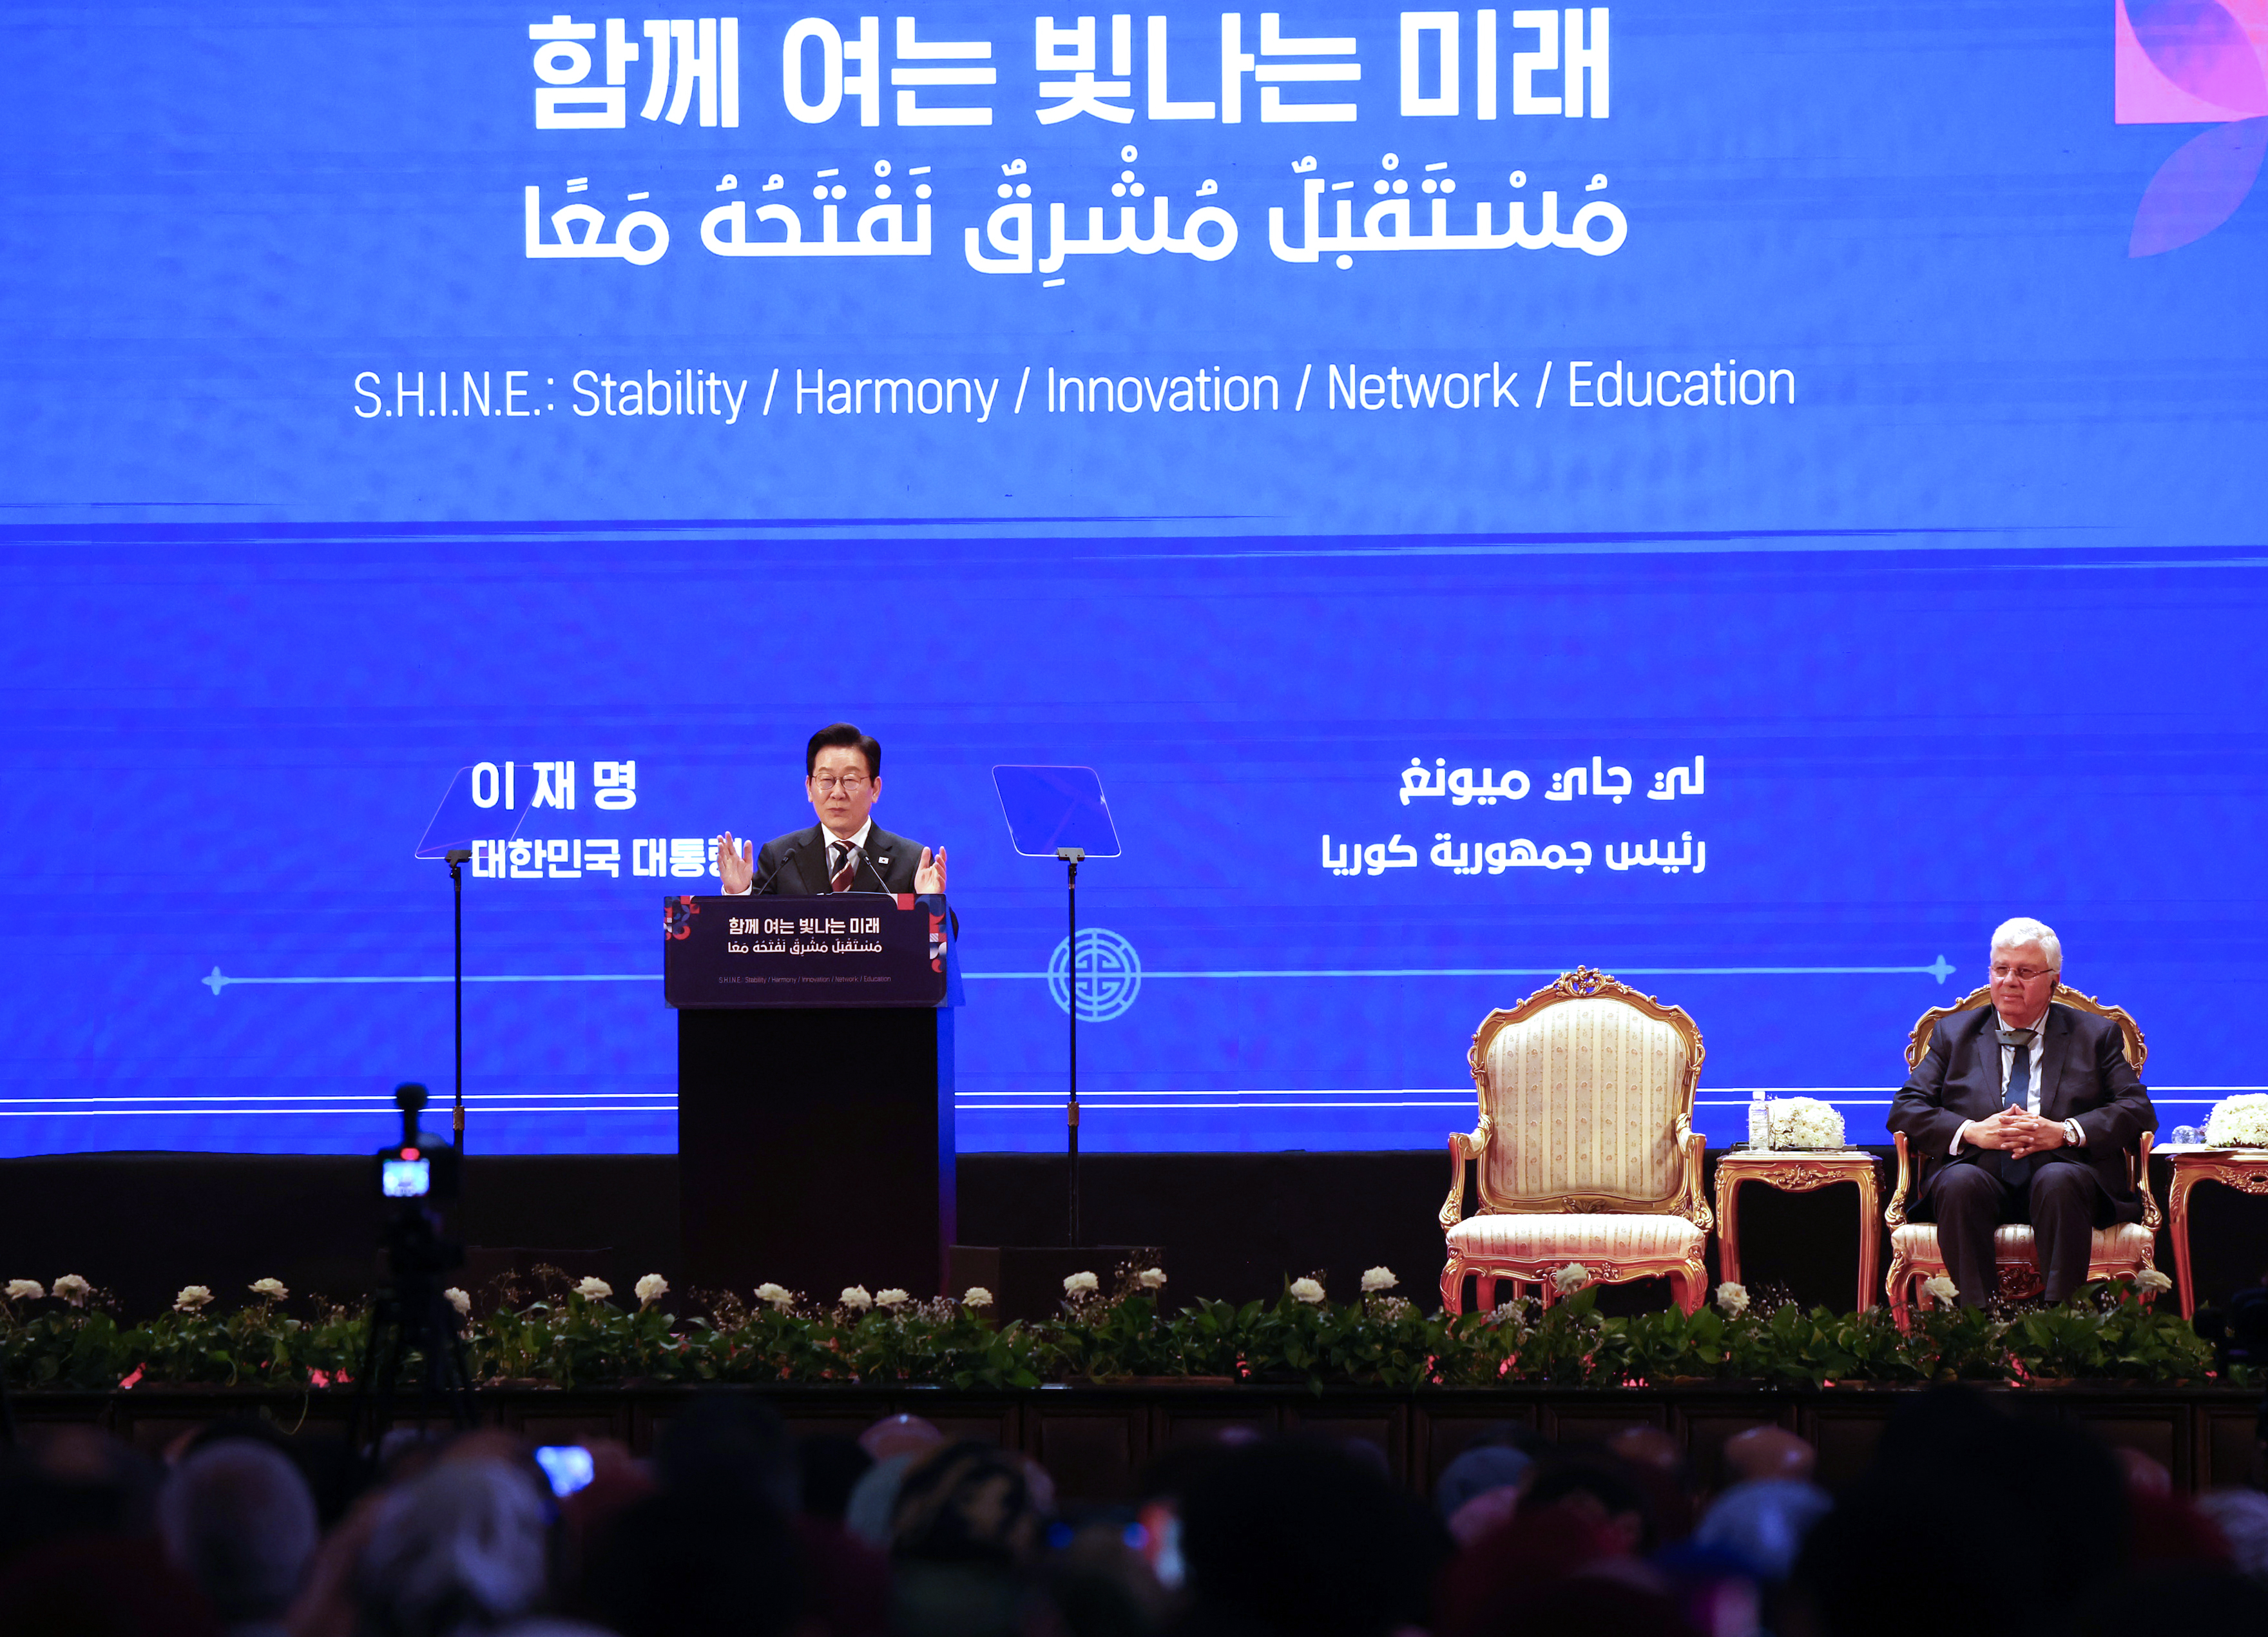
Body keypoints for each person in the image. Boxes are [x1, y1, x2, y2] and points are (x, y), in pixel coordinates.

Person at [1887, 916, 2155, 1307]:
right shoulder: (1954, 1034)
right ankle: (1977, 1329)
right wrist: (1973, 1131)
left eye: (2025, 972)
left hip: (2066, 1177)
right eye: (2001, 969)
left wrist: (2065, 1131)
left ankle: (2061, 1329)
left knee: (2058, 1179)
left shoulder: (2096, 1035)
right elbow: (1906, 1108)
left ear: (2054, 981)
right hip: (1980, 1173)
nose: (2010, 981)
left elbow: (2136, 1108)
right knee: (1959, 1183)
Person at [716, 722, 946, 898]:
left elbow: (941, 946)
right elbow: (749, 939)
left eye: (850, 780)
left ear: (875, 789)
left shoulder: (911, 860)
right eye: (826, 780)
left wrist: (931, 903)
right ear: (809, 788)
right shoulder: (780, 857)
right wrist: (739, 893)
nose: (837, 793)